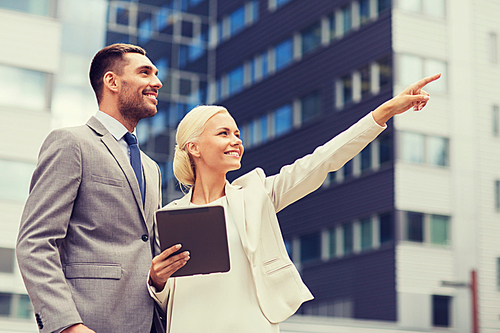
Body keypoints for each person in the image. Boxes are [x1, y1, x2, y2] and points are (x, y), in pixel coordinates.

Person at [147, 73, 441, 332]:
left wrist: (386, 111)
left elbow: (323, 160)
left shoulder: (256, 195)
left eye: (237, 134)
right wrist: (157, 280)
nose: (236, 141)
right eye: (224, 133)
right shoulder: (171, 216)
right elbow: (169, 295)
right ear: (193, 147)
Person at [16, 43, 182, 333]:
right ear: (112, 81)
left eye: (155, 74)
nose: (157, 82)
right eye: (145, 72)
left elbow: (146, 247)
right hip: (90, 323)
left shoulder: (151, 168)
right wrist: (67, 325)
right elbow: (35, 243)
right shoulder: (72, 144)